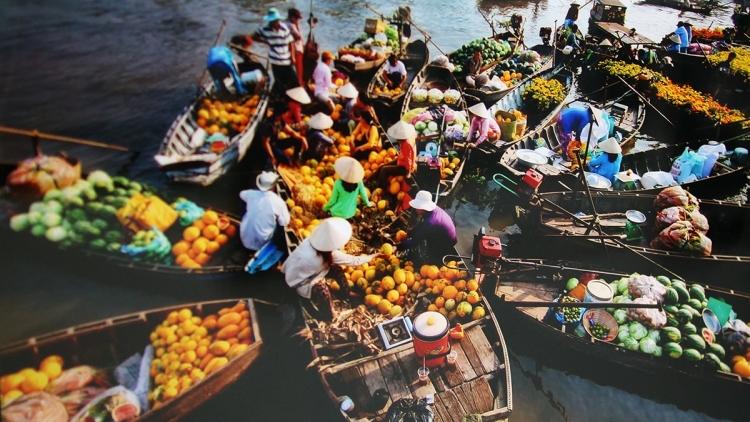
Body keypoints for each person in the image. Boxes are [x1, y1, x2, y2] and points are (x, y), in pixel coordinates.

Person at [281, 218, 382, 316]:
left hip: (295, 269)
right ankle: (328, 314)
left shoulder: (311, 241)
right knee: (322, 290)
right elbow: (354, 261)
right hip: (299, 281)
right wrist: (373, 256)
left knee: (336, 268)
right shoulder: (332, 255)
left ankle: (347, 292)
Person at [397, 190, 457, 265]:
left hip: (446, 243)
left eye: (417, 207)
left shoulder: (430, 222)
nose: (415, 209)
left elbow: (415, 241)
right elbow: (420, 225)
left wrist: (397, 248)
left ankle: (435, 261)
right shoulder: (432, 211)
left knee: (432, 257)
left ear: (423, 208)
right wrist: (408, 234)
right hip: (444, 235)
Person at [252, 8, 299, 95]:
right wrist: (265, 41)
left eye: (276, 20)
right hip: (275, 60)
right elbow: (254, 36)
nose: (275, 22)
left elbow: (291, 42)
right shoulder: (264, 29)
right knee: (279, 81)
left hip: (286, 59)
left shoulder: (284, 28)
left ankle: (289, 96)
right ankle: (279, 98)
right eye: (273, 21)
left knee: (294, 80)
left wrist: (292, 57)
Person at [239, 171, 290, 251]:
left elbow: (241, 194)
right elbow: (284, 222)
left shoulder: (251, 194)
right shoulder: (278, 202)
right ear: (273, 187)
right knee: (278, 224)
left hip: (244, 238)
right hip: (262, 243)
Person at [263, 87, 310, 166]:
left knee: (297, 140)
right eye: (286, 113)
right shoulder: (269, 124)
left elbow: (291, 132)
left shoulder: (281, 121)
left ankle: (296, 158)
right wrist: (272, 157)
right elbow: (266, 143)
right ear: (282, 114)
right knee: (287, 161)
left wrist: (301, 138)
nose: (288, 115)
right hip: (272, 146)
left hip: (278, 143)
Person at [377, 121, 417, 190]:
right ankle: (371, 180)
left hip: (404, 168)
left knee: (384, 170)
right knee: (382, 166)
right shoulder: (407, 138)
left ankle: (381, 189)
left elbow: (409, 161)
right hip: (401, 160)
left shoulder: (406, 144)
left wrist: (408, 173)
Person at [284, 8, 305, 86]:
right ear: (292, 17)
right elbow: (297, 37)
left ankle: (293, 83)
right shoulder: (290, 25)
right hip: (296, 50)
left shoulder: (284, 23)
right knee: (299, 70)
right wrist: (296, 25)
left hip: (289, 50)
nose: (298, 20)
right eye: (296, 18)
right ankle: (299, 83)